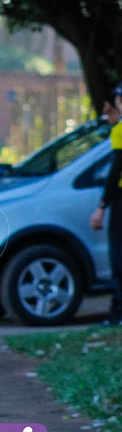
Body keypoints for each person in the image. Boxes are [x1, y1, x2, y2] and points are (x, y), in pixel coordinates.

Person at [90, 84, 122, 326]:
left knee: (118, 257)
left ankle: (117, 314)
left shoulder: (120, 131)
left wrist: (101, 205)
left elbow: (115, 171)